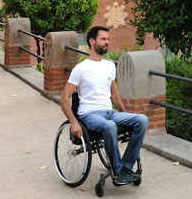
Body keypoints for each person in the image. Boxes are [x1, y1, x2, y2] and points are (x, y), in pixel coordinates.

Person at [59, 26, 148, 185]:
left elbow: (114, 94)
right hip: (89, 115)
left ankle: (126, 168)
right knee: (109, 126)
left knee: (142, 120)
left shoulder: (109, 66)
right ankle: (118, 172)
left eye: (108, 39)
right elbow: (64, 98)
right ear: (92, 42)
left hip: (110, 112)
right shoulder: (81, 69)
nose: (107, 42)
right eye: (103, 39)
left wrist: (125, 114)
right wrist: (73, 122)